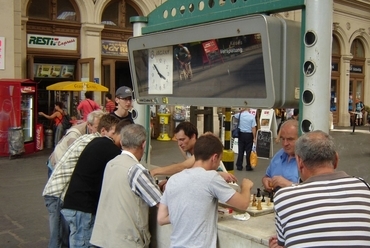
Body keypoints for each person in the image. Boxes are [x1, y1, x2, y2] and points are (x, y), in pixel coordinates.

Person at [269, 130, 370, 248]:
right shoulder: (364, 188)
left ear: (300, 162)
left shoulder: (283, 197)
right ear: (336, 159)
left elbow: (283, 244)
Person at [157, 134, 254, 248]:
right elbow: (243, 204)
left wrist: (190, 213)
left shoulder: (173, 180)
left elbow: (161, 219)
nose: (218, 164)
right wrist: (246, 187)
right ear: (214, 157)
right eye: (220, 160)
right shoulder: (211, 178)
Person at [42, 114, 120, 248]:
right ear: (103, 131)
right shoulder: (94, 142)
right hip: (59, 193)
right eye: (114, 133)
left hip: (60, 193)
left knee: (69, 239)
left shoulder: (87, 138)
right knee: (59, 241)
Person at [90, 124, 163, 247]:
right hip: (126, 240)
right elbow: (159, 202)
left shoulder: (111, 164)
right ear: (143, 144)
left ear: (122, 142)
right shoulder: (136, 170)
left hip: (104, 237)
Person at [61, 119, 129, 247]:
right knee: (83, 243)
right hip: (83, 208)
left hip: (73, 203)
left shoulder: (98, 142)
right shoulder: (112, 151)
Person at [150, 121, 237, 183]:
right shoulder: (184, 147)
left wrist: (155, 171)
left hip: (220, 182)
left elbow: (183, 166)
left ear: (193, 137)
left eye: (182, 139)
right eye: (178, 140)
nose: (179, 144)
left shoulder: (202, 149)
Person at [47, 110, 105, 178]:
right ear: (89, 125)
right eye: (97, 127)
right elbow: (74, 157)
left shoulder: (92, 131)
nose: (101, 130)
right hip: (57, 163)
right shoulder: (74, 134)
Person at [262, 120, 299, 193]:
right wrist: (265, 180)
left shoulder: (308, 161)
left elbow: (313, 191)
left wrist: (289, 185)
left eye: (290, 139)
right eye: (283, 139)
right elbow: (267, 176)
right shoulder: (279, 154)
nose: (285, 143)